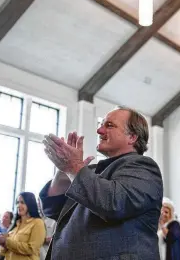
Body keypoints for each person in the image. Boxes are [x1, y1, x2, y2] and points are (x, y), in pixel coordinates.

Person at [40, 106, 163, 259]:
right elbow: (53, 208)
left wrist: (73, 168)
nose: (99, 130)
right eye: (101, 124)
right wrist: (63, 170)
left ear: (132, 137)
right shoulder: (90, 171)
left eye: (109, 125)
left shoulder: (144, 167)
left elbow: (114, 203)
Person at [0, 192, 46, 260]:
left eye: (22, 202)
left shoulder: (37, 223)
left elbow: (31, 249)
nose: (18, 205)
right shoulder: (15, 225)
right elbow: (2, 253)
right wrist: (2, 243)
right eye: (17, 202)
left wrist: (6, 242)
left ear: (30, 204)